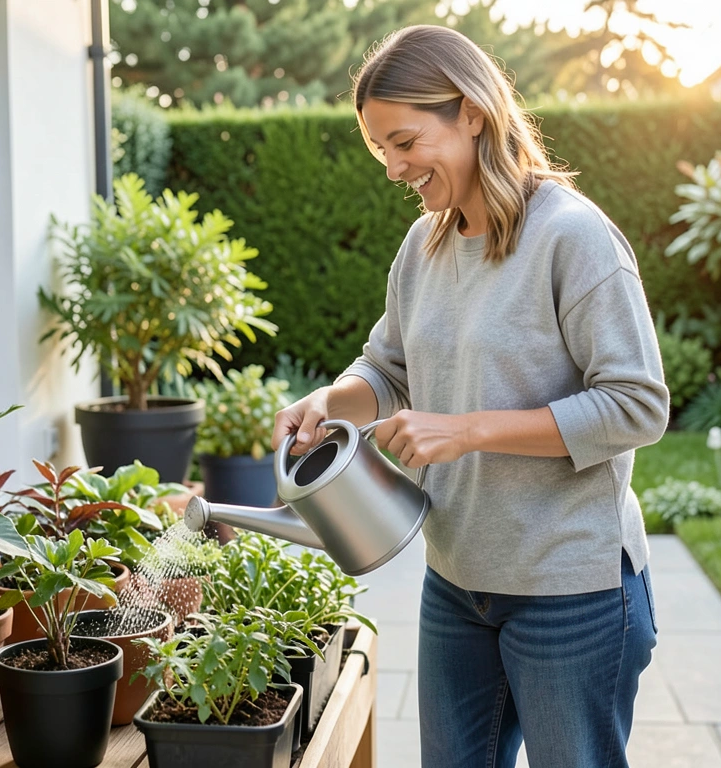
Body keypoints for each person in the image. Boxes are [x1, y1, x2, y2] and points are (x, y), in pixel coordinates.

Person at [271, 24, 669, 768]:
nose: (392, 168)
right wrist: (330, 400)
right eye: (380, 150)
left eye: (404, 141)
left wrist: (468, 430)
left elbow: (637, 404)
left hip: (570, 589)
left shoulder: (572, 238)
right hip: (456, 581)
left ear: (472, 114)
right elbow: (386, 370)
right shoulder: (424, 247)